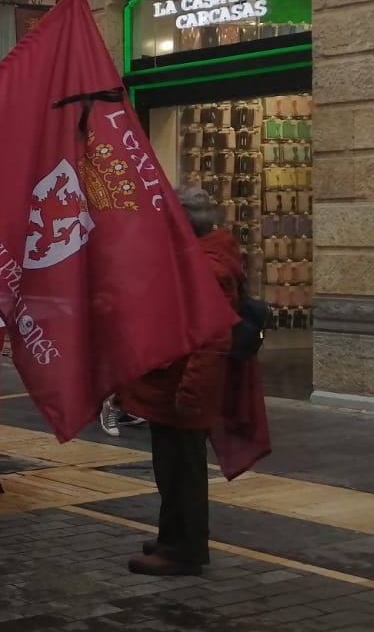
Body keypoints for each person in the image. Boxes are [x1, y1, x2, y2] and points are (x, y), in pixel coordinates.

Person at [119, 187, 238, 577]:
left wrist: (191, 392)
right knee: (170, 471)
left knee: (183, 474)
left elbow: (211, 339)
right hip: (170, 388)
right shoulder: (194, 261)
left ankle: (183, 549)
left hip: (183, 392)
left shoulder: (209, 269)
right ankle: (172, 535)